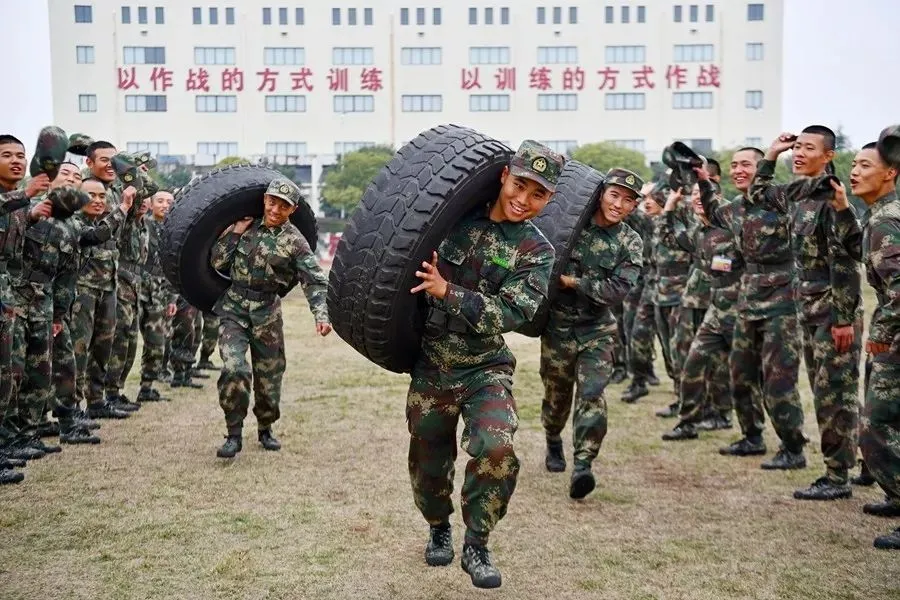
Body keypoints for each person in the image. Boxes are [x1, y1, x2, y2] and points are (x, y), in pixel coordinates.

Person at [406, 140, 558, 589]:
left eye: (538, 194)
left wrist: (446, 291)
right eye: (520, 185)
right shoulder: (449, 219)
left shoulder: (535, 250)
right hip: (431, 363)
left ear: (549, 200)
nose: (524, 199)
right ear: (503, 177)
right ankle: (438, 525)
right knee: (428, 459)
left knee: (497, 448)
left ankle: (477, 542)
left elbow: (512, 312)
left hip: (484, 366)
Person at [758, 127, 863, 499]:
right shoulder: (798, 193)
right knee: (833, 391)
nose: (799, 153)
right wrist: (772, 154)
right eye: (796, 147)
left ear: (829, 156)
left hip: (832, 311)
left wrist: (844, 318)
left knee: (834, 394)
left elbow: (846, 262)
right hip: (808, 306)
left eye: (808, 148)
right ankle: (862, 462)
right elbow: (758, 194)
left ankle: (838, 477)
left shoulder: (829, 197)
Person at [540, 168, 643, 499]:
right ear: (601, 194)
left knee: (592, 393)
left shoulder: (630, 241)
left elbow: (616, 291)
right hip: (557, 325)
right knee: (557, 394)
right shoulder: (571, 227)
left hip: (596, 327)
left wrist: (572, 283)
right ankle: (553, 439)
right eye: (614, 195)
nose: (619, 204)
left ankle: (583, 464)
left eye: (628, 200)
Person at [210, 177, 330, 458]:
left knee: (269, 378)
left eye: (283, 206)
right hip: (234, 310)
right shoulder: (244, 224)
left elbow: (314, 281)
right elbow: (217, 262)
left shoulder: (295, 242)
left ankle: (265, 427)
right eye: (272, 202)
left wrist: (320, 315)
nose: (275, 210)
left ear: (293, 209)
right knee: (234, 369)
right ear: (265, 199)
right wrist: (236, 232)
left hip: (267, 314)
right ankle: (233, 434)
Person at [663, 153, 756, 441]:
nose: (697, 199)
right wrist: (668, 210)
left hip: (740, 309)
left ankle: (742, 426)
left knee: (741, 374)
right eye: (693, 195)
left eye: (701, 194)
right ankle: (689, 420)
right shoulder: (699, 231)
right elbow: (674, 238)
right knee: (693, 360)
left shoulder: (731, 224)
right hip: (715, 309)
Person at [844, 139, 900, 549]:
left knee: (877, 425)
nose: (855, 170)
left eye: (865, 164)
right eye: (854, 164)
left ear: (890, 172)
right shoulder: (879, 215)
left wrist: (880, 335)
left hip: (894, 335)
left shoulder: (886, 221)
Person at [136, 190, 177, 402]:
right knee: (123, 343)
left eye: (170, 202)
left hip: (159, 293)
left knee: (157, 342)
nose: (165, 205)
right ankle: (109, 394)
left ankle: (147, 387)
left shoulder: (173, 231)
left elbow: (173, 267)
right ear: (151, 204)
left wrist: (172, 299)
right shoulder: (142, 224)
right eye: (160, 201)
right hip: (136, 289)